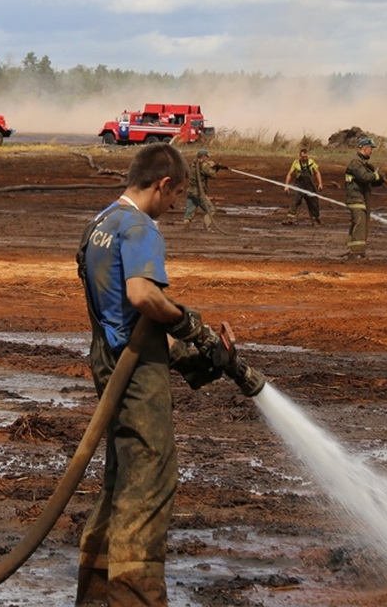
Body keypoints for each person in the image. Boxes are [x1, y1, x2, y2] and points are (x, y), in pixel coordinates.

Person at [74, 143, 261, 606]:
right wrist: (186, 321)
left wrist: (199, 357)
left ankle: (97, 593)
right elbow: (141, 298)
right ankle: (136, 596)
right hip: (135, 375)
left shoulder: (101, 223)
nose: (175, 205)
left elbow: (118, 316)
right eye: (175, 195)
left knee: (121, 476)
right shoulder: (141, 226)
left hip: (110, 361)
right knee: (151, 478)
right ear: (162, 184)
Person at [344, 137, 384, 259]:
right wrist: (376, 175)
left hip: (362, 197)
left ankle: (355, 250)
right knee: (359, 223)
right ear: (365, 148)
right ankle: (356, 252)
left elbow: (371, 180)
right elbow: (365, 177)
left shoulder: (363, 164)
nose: (371, 151)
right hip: (356, 197)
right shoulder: (356, 163)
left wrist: (379, 178)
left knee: (361, 223)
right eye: (371, 149)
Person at [282, 148, 323, 225]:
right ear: (300, 156)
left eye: (306, 157)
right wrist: (286, 186)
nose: (304, 158)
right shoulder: (296, 163)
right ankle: (291, 219)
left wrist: (320, 184)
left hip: (310, 186)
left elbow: (317, 172)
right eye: (303, 157)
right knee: (295, 201)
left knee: (313, 202)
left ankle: (316, 220)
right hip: (299, 185)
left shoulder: (311, 162)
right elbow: (290, 174)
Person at [181, 149, 219, 230]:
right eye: (207, 156)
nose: (208, 158)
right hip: (198, 192)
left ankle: (186, 224)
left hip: (190, 192)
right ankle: (207, 226)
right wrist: (216, 168)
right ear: (203, 156)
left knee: (190, 210)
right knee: (211, 210)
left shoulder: (193, 164)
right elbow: (212, 175)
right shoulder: (203, 165)